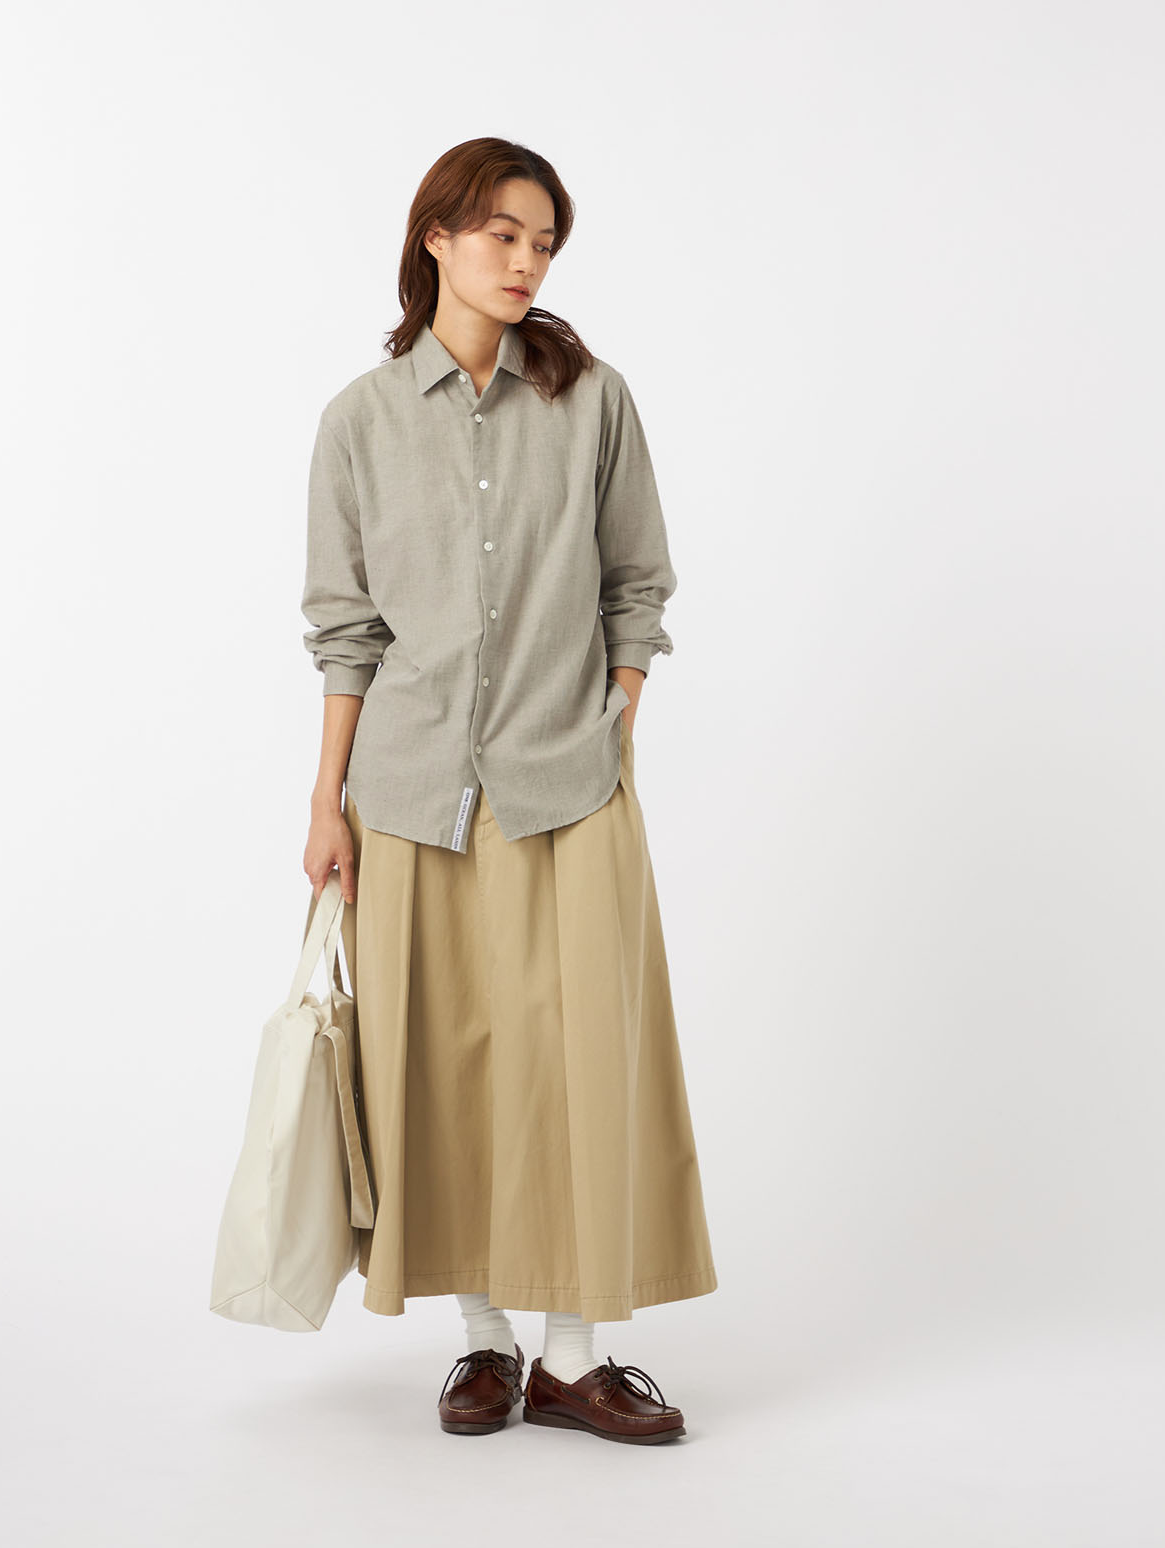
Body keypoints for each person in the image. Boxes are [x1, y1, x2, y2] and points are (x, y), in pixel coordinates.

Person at [300, 137, 716, 1445]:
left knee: (578, 1062)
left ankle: (573, 1357)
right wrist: (325, 803)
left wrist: (616, 720)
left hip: (568, 784)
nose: (528, 261)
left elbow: (637, 582)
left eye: (544, 242)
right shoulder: (360, 423)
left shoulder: (593, 403)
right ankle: (483, 1343)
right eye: (504, 235)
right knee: (443, 1064)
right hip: (410, 795)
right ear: (437, 237)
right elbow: (346, 631)